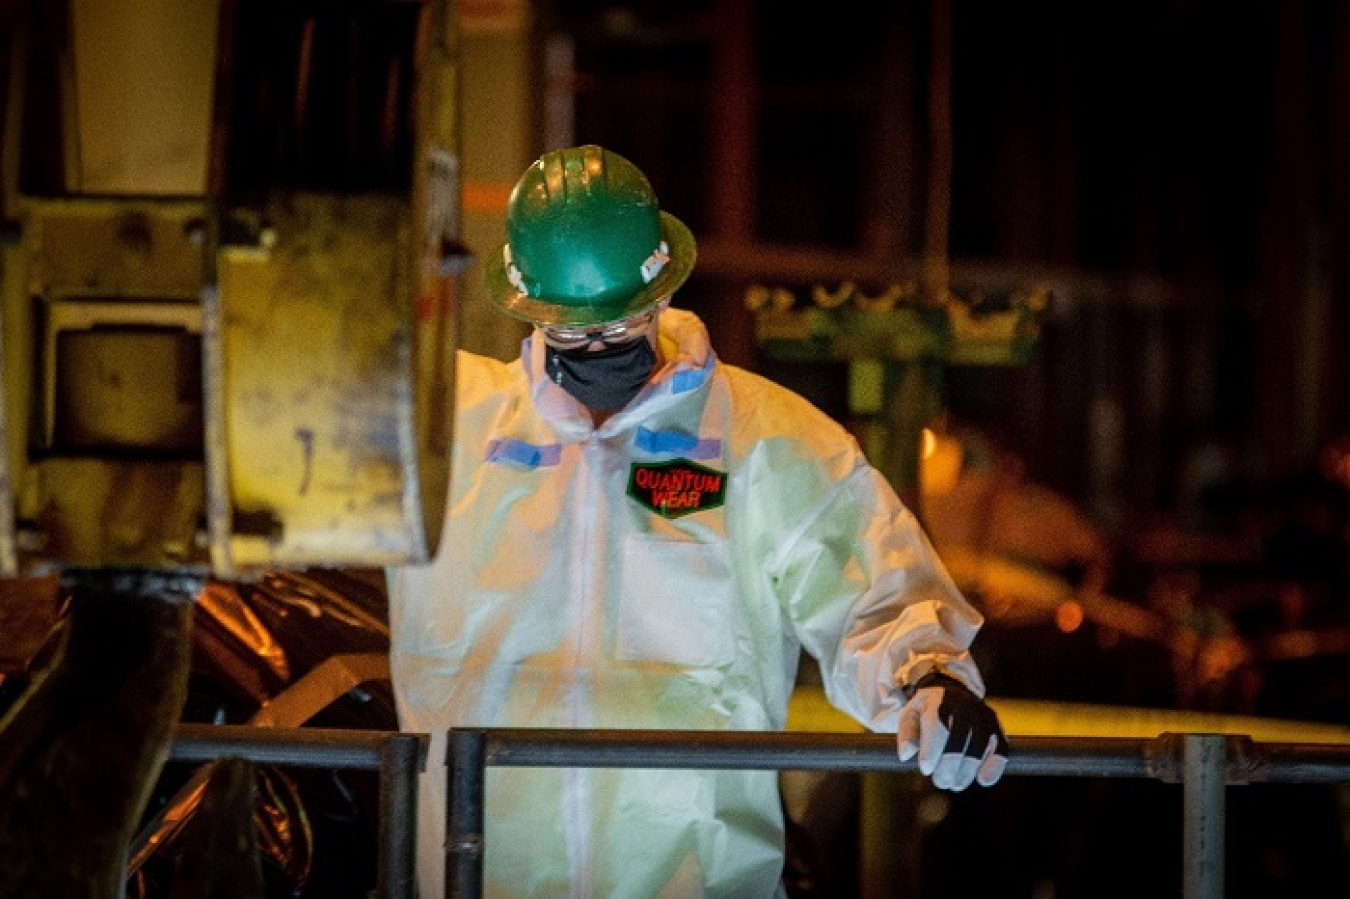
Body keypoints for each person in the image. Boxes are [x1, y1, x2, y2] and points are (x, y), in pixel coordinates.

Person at [387, 144, 1008, 899]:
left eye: (618, 326)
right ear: (529, 310)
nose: (597, 348)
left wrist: (927, 675)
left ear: (659, 298)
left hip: (698, 882)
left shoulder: (761, 436)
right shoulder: (439, 431)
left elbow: (867, 580)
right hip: (477, 876)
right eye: (573, 332)